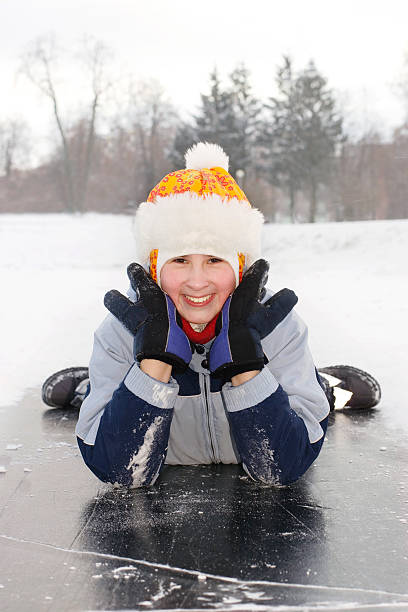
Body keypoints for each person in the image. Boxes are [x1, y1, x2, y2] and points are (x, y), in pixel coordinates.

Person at [42, 142, 381, 488]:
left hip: (271, 403)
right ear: (155, 267)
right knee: (115, 394)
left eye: (215, 260)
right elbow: (119, 471)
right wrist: (152, 362)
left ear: (240, 266)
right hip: (150, 414)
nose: (197, 281)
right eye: (180, 260)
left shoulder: (275, 325)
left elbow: (281, 469)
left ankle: (326, 387)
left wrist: (248, 363)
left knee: (306, 395)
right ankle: (90, 388)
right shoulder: (123, 330)